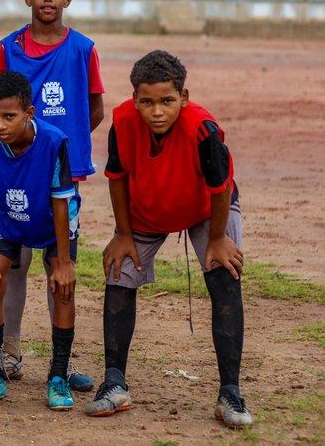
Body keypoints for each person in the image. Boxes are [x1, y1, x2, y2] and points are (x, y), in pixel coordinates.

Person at [87, 50, 251, 429]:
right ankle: (114, 382)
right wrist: (123, 234)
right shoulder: (123, 123)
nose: (157, 111)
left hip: (207, 208)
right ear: (134, 100)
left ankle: (230, 392)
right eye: (147, 102)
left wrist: (217, 240)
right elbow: (117, 177)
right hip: (148, 207)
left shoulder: (202, 130)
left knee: (225, 275)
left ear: (184, 97)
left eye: (167, 101)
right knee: (119, 273)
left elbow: (220, 187)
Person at [0, 0, 103, 390]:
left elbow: (94, 109)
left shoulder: (83, 49)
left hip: (59, 181)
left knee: (60, 266)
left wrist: (55, 151)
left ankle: (61, 363)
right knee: (13, 265)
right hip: (14, 173)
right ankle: (10, 354)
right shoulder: (9, 47)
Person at [0, 71, 78, 410]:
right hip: (10, 221)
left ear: (29, 113)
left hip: (53, 221)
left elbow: (60, 202)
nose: (0, 125)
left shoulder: (53, 142)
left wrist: (62, 261)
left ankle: (58, 375)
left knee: (62, 286)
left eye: (9, 116)